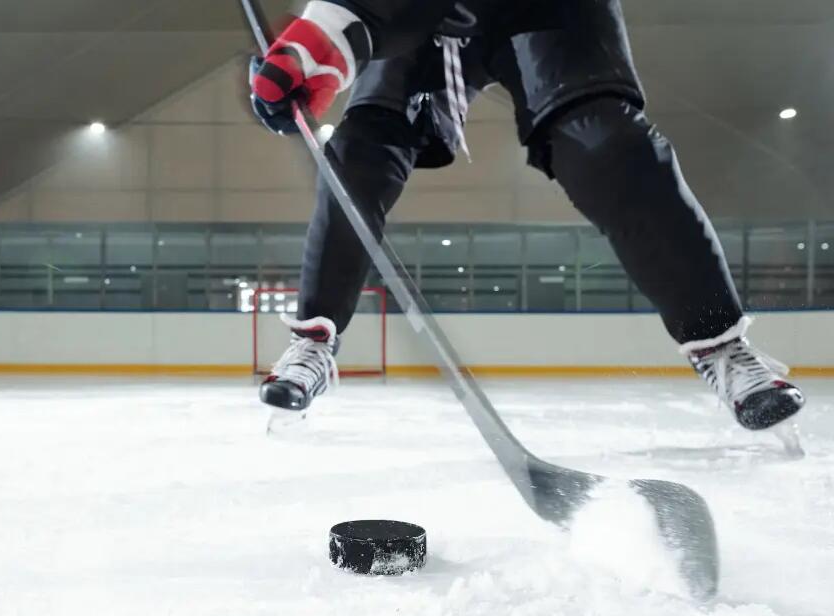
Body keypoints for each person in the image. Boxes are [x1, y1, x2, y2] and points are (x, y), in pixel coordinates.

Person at [248, 0, 805, 431]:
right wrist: (312, 48)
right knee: (359, 152)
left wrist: (322, 37)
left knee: (609, 145)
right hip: (424, 13)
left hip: (546, 8)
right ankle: (314, 341)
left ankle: (722, 346)